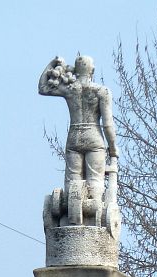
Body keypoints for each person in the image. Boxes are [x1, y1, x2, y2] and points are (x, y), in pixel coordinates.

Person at [38, 55, 119, 198]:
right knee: (95, 182)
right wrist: (113, 148)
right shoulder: (102, 91)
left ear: (75, 70)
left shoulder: (69, 89)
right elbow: (107, 124)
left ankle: (71, 213)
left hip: (74, 137)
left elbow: (43, 88)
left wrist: (52, 63)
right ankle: (93, 211)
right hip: (94, 138)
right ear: (92, 70)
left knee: (72, 181)